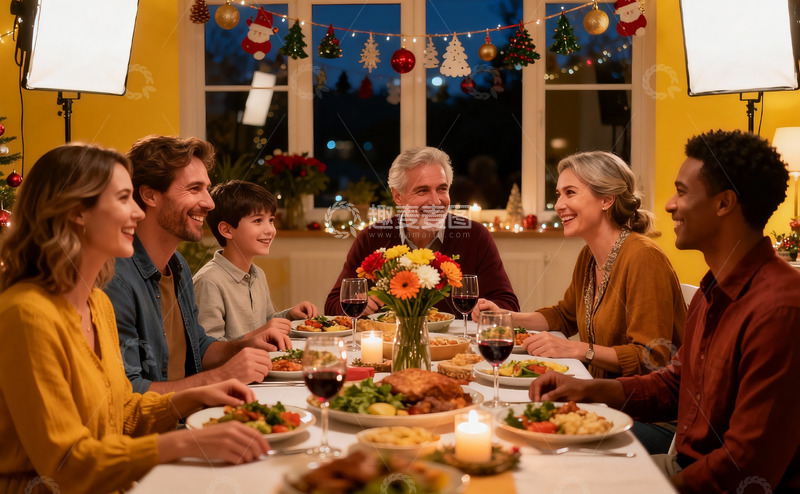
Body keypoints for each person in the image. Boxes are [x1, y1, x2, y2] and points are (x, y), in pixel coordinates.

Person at [529, 130, 800, 493]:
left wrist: (655, 487)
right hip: (685, 465)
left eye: (682, 192)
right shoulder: (711, 290)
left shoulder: (780, 308)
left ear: (724, 204)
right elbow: (673, 384)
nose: (669, 204)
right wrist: (583, 389)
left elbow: (746, 463)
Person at [0, 144, 269, 493]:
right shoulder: (27, 315)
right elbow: (66, 465)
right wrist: (185, 443)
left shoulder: (96, 304)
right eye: (124, 198)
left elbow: (121, 411)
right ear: (77, 212)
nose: (138, 214)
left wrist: (202, 393)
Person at [105, 135, 291, 394]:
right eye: (194, 189)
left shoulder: (177, 265)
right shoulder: (115, 280)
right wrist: (222, 377)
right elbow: (128, 391)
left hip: (195, 411)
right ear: (150, 195)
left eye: (206, 188)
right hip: (170, 427)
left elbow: (199, 347)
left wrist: (247, 343)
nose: (209, 203)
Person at [478, 151, 686, 379]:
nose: (558, 205)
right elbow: (564, 316)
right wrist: (505, 317)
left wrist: (576, 349)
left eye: (570, 193)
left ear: (606, 199)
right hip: (600, 388)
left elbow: (651, 358)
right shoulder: (589, 256)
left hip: (638, 405)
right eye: (558, 194)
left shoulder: (643, 258)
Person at [324, 147, 519, 315]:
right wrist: (358, 303)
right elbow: (332, 304)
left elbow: (509, 304)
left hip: (454, 352)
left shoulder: (475, 236)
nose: (436, 201)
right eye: (422, 191)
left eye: (442, 189)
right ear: (398, 196)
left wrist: (490, 308)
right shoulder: (371, 237)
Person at [194, 180, 318, 341]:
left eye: (271, 220)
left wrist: (289, 315)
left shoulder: (258, 274)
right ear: (227, 230)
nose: (270, 230)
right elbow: (208, 350)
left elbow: (264, 324)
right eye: (258, 221)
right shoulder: (209, 282)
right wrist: (262, 333)